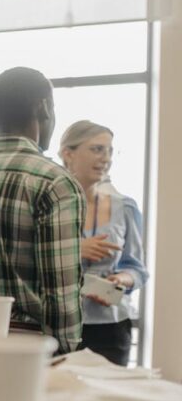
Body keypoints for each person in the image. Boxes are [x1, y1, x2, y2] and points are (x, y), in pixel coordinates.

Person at [0, 67, 84, 356]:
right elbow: (60, 292)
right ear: (44, 107)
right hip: (31, 349)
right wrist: (65, 352)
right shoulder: (54, 182)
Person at [60, 121, 148, 366]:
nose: (106, 158)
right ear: (68, 154)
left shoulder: (126, 207)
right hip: (61, 325)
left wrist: (122, 280)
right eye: (97, 149)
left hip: (112, 326)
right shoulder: (50, 204)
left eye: (110, 151)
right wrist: (76, 250)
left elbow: (137, 269)